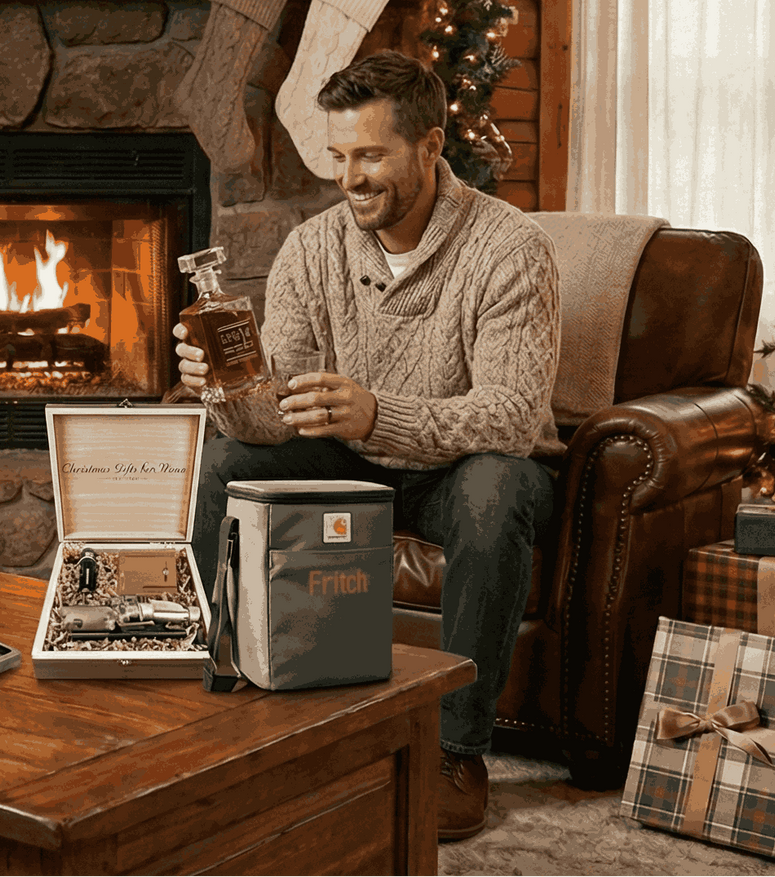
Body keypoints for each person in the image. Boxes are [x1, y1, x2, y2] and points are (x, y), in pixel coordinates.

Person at [176, 50, 564, 841]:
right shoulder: (310, 249)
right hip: (354, 456)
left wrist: (378, 414)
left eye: (371, 156)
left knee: (496, 491)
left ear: (429, 145)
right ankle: (211, 686)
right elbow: (275, 417)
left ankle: (456, 752)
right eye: (340, 156)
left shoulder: (509, 247)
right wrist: (225, 390)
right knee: (226, 464)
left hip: (466, 468)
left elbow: (514, 416)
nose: (350, 178)